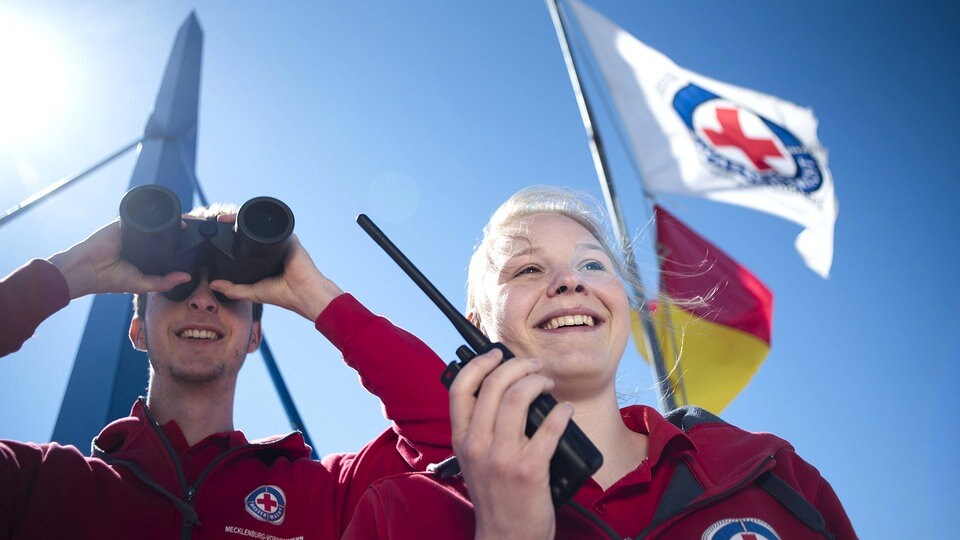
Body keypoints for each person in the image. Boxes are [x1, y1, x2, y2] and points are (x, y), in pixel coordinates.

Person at [343, 185, 857, 539]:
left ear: (625, 303)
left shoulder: (770, 470)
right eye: (526, 269)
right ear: (477, 327)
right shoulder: (399, 513)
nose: (570, 281)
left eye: (592, 263)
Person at [0, 203, 451, 539]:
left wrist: (318, 297)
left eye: (228, 292)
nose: (202, 300)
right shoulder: (38, 485)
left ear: (254, 336)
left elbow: (454, 429)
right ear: (137, 331)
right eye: (177, 288)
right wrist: (68, 272)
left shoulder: (329, 497)